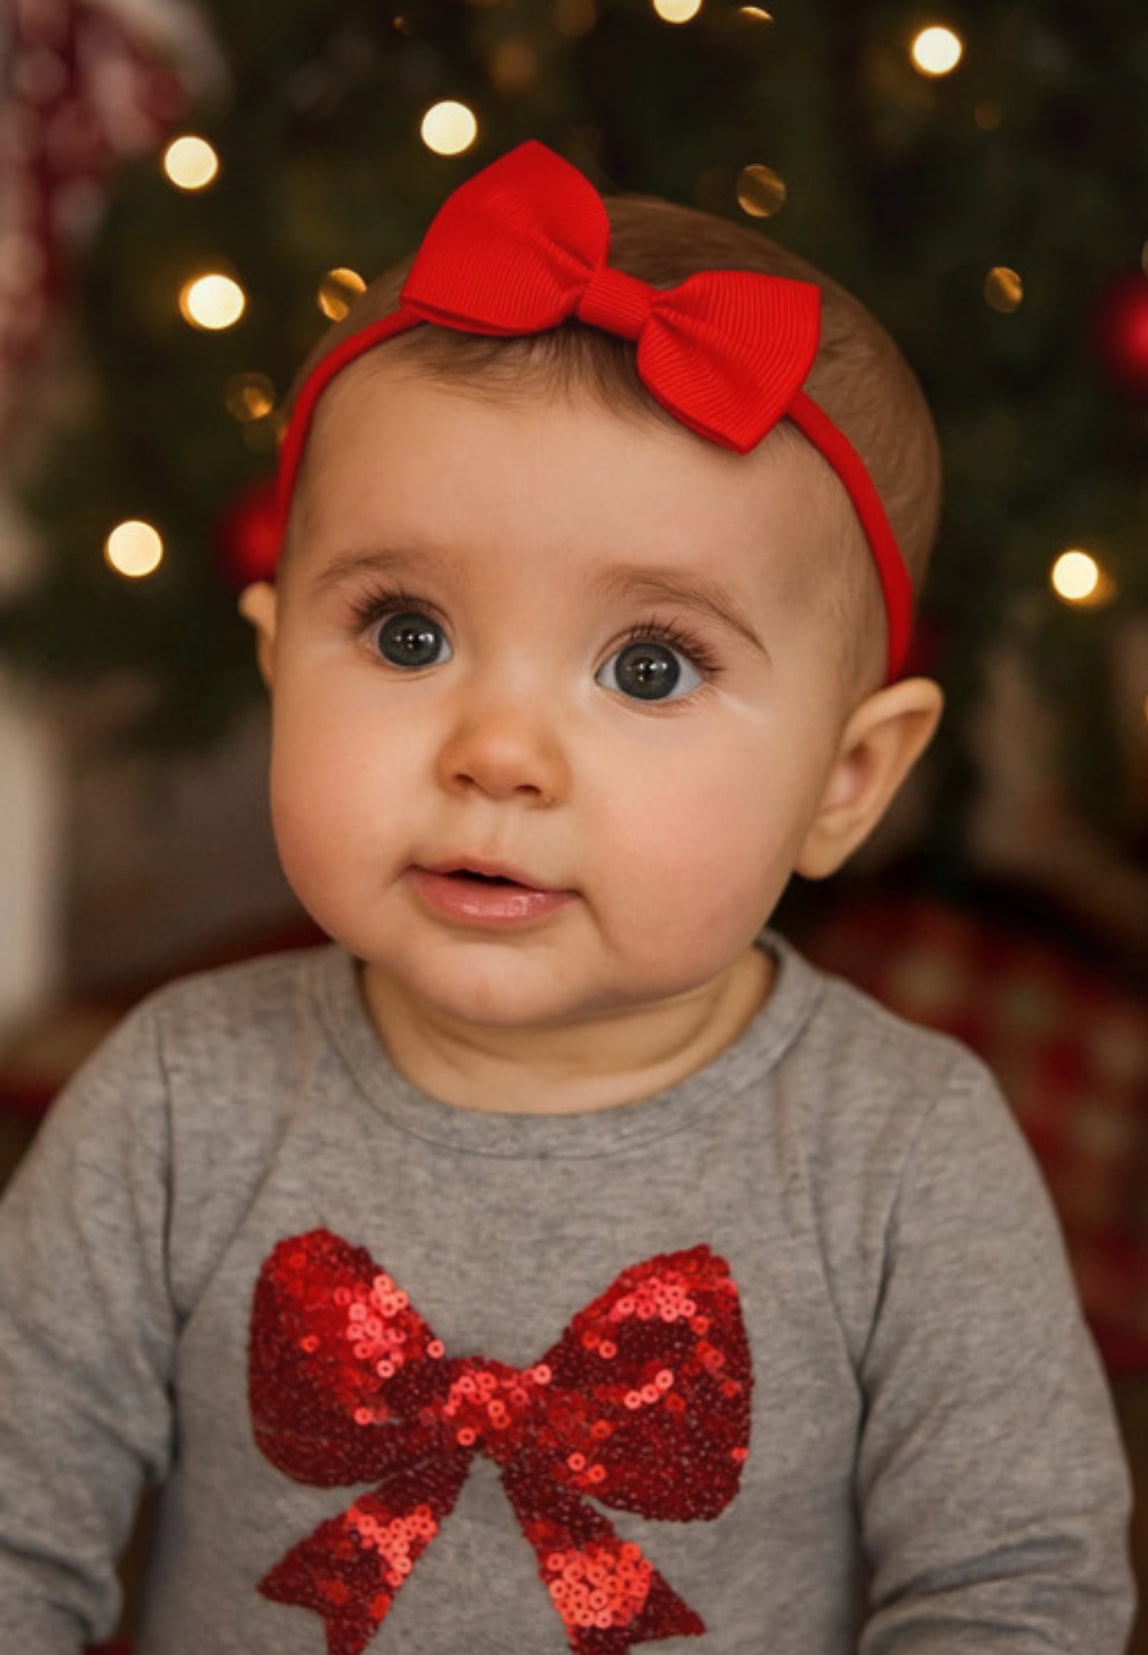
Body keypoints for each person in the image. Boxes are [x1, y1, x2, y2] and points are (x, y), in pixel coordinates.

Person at [0, 142, 1133, 1655]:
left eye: (649, 668)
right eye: (407, 635)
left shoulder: (901, 1157)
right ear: (276, 663)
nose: (499, 753)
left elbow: (1018, 1595)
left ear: (846, 782)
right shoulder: (172, 1105)